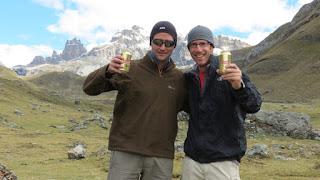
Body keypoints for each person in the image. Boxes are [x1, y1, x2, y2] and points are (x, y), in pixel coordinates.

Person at [82, 21, 186, 180]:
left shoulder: (179, 78)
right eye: (157, 42)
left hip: (161, 156)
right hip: (126, 151)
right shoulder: (128, 68)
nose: (162, 47)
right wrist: (107, 71)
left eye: (168, 43)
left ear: (174, 46)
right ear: (150, 42)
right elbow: (89, 88)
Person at [181, 25, 262, 180]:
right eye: (194, 45)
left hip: (224, 160)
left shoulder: (230, 71)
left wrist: (239, 86)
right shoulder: (189, 78)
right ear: (189, 49)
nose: (198, 50)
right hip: (192, 160)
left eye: (203, 44)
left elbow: (255, 104)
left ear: (211, 47)